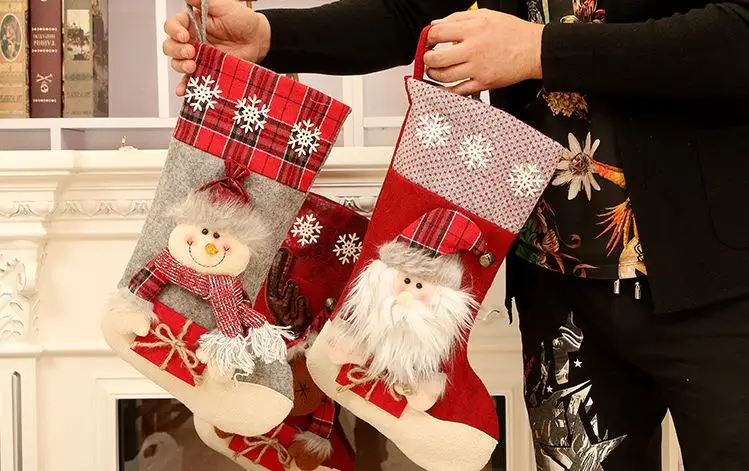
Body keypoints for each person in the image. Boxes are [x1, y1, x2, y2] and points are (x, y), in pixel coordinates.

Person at [162, 0, 749, 469]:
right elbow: (410, 13)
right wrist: (270, 35)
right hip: (559, 296)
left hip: (723, 284)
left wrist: (539, 49)